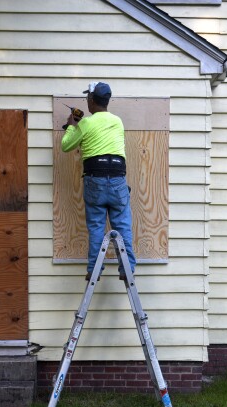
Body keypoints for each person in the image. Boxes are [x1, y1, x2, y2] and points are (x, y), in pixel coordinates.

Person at [61, 82, 136, 281]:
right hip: (118, 179)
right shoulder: (118, 121)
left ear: (92, 100)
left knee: (96, 227)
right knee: (123, 226)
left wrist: (71, 126)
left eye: (88, 98)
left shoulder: (85, 123)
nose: (87, 101)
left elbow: (66, 146)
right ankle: (127, 270)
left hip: (95, 180)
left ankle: (94, 269)